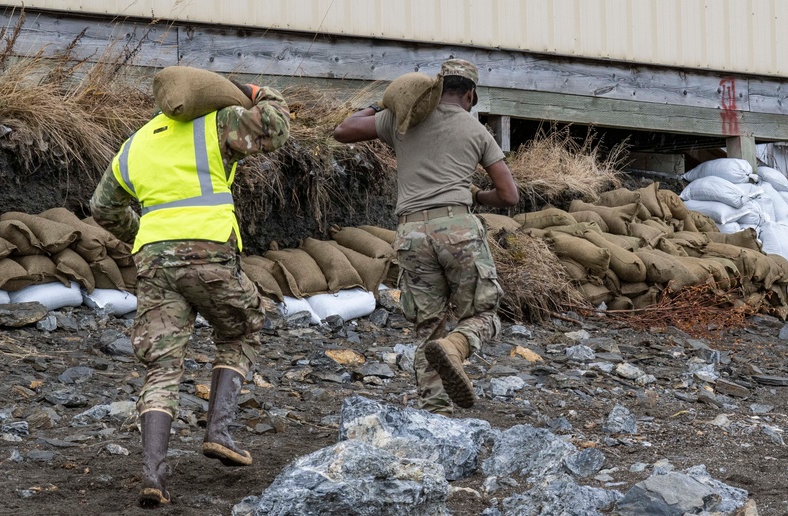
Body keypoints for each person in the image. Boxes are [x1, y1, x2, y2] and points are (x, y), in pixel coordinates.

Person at [89, 76, 290, 507]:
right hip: (207, 251)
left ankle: (153, 477)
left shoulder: (135, 143)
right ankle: (218, 432)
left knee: (162, 365)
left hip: (154, 260)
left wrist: (143, 231)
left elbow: (101, 207)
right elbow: (274, 127)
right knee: (242, 328)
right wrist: (258, 93)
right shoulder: (217, 123)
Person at [332, 58, 519, 415]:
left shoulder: (403, 120)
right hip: (458, 227)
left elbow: (343, 130)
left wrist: (384, 102)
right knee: (483, 313)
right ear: (470, 95)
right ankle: (457, 348)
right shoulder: (478, 132)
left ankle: (436, 411)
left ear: (436, 87)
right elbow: (509, 196)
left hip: (411, 233)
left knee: (428, 326)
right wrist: (478, 197)